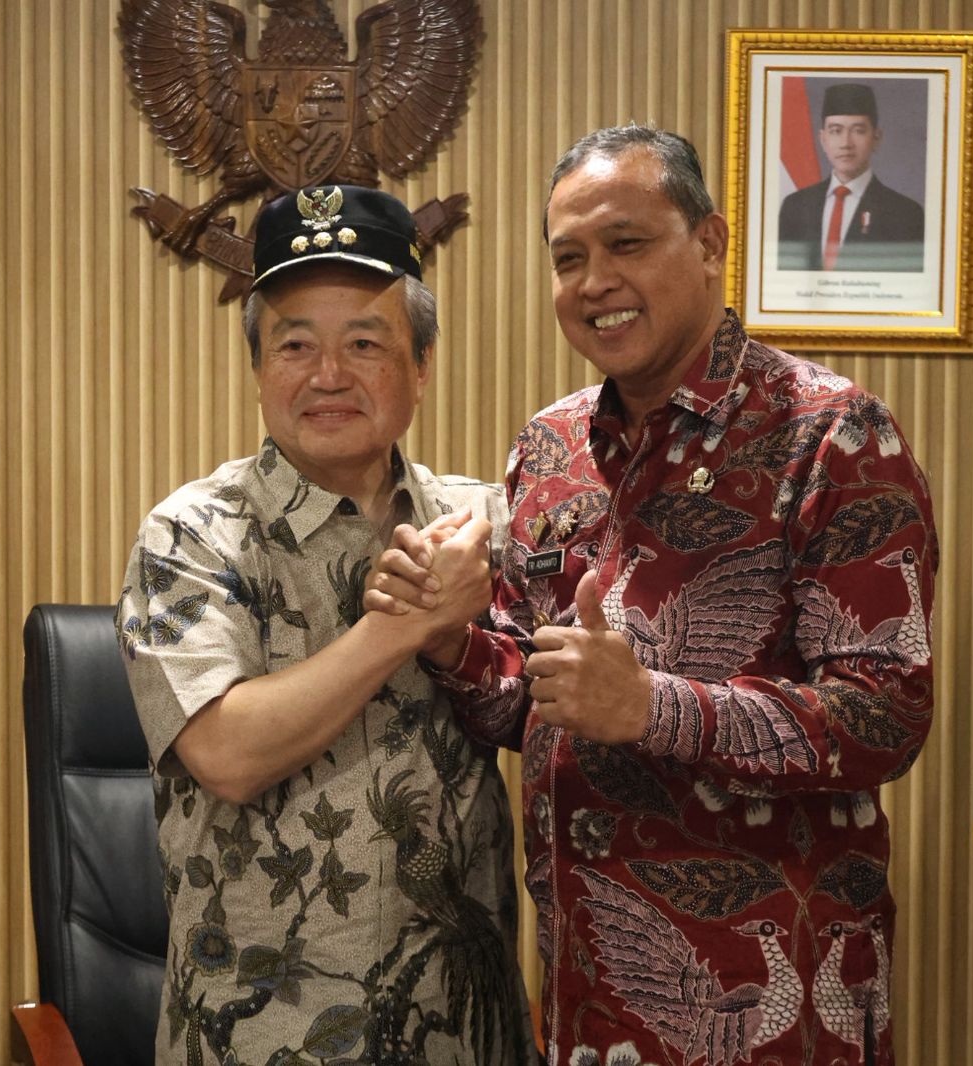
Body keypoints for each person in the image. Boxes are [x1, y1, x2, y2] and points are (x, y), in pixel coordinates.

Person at [368, 126, 937, 1066]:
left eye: (625, 244)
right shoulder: (547, 449)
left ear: (709, 243)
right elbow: (532, 699)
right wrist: (447, 640)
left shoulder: (832, 434)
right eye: (568, 259)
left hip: (766, 1009)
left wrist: (651, 707)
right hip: (583, 999)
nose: (595, 282)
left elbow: (888, 714)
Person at [115, 184, 534, 1065]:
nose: (328, 375)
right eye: (295, 344)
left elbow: (555, 718)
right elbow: (227, 753)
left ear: (422, 365)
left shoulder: (484, 525)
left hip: (463, 1032)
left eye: (365, 344)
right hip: (258, 1035)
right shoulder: (190, 535)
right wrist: (403, 625)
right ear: (258, 368)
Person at [778, 83, 925, 272]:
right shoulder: (794, 206)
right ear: (823, 139)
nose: (846, 143)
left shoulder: (905, 214)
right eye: (836, 131)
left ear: (876, 138)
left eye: (858, 130)